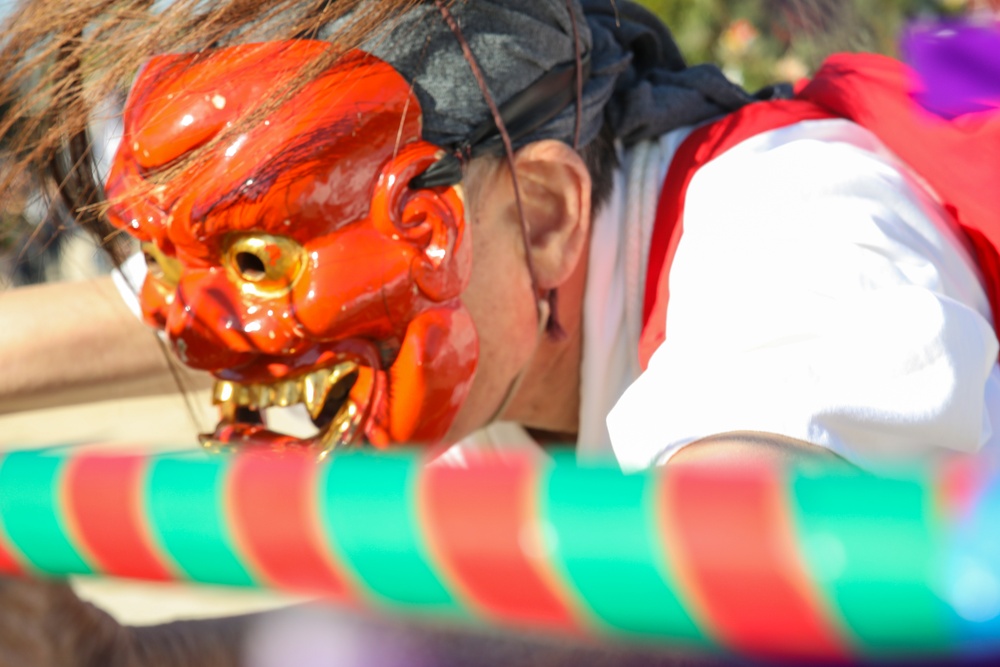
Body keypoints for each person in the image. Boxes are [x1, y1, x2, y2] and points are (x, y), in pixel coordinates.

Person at [0, 0, 999, 663]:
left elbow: (707, 592)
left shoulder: (796, 240)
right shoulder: (494, 297)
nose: (201, 322)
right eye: (180, 261)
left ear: (547, 212)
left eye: (263, 259)